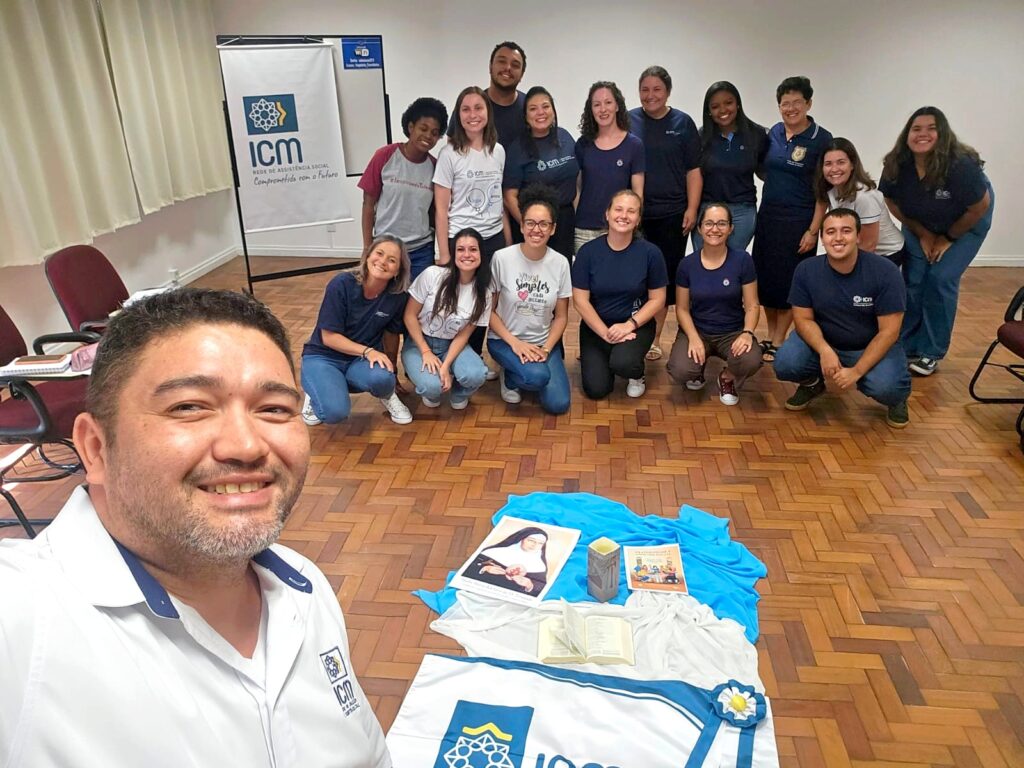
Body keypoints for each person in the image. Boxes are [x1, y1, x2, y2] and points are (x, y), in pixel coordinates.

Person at [0, 289, 391, 765]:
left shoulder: (306, 588)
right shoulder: (23, 623)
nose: (246, 446)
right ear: (96, 448)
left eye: (274, 409)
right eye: (189, 407)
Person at [879, 106, 994, 377]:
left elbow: (979, 207)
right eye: (916, 129)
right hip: (920, 222)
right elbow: (891, 201)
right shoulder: (897, 164)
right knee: (914, 278)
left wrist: (948, 238)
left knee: (940, 278)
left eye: (931, 129)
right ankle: (907, 344)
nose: (923, 134)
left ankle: (931, 352)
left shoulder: (961, 166)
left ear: (943, 134)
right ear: (907, 134)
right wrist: (923, 233)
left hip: (967, 223)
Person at [774, 208, 912, 428]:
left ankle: (896, 399)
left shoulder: (885, 272)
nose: (838, 238)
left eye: (846, 231)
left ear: (858, 237)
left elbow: (889, 332)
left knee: (888, 387)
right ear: (822, 238)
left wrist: (857, 371)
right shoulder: (806, 269)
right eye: (830, 232)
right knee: (785, 363)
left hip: (868, 345)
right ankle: (812, 384)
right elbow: (802, 319)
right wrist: (824, 350)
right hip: (823, 342)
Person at [753, 76, 833, 363]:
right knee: (766, 280)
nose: (790, 108)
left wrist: (813, 230)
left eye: (796, 102)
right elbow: (764, 169)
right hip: (768, 218)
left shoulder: (821, 139)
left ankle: (778, 340)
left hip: (799, 222)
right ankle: (770, 334)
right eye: (785, 103)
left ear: (809, 104)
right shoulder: (773, 133)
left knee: (789, 281)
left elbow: (823, 192)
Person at [628, 66, 702, 362]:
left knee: (663, 279)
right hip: (636, 216)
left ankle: (655, 339)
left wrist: (692, 208)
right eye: (645, 89)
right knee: (635, 278)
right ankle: (632, 333)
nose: (650, 95)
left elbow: (693, 170)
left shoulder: (683, 123)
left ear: (668, 91)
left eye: (657, 89)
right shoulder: (629, 120)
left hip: (673, 214)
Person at [301, 235, 412, 426]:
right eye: (379, 253)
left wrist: (392, 371)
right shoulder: (341, 283)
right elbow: (329, 337)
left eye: (392, 260)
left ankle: (385, 395)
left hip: (359, 361)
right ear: (367, 256)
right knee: (335, 413)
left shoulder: (398, 296)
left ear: (398, 271)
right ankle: (316, 391)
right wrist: (368, 351)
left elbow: (391, 333)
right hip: (324, 356)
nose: (383, 262)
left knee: (383, 379)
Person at [435, 86, 511, 361]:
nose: (472, 114)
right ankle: (452, 359)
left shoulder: (498, 151)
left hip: (493, 238)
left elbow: (498, 200)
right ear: (458, 115)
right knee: (460, 303)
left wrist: (507, 243)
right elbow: (441, 209)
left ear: (488, 112)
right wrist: (444, 253)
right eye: (465, 109)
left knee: (487, 301)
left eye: (478, 108)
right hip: (462, 240)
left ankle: (476, 358)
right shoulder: (449, 154)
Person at [571, 189, 667, 400]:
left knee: (624, 363)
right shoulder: (588, 252)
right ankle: (609, 354)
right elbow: (580, 301)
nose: (624, 216)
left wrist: (628, 325)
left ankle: (636, 374)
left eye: (631, 211)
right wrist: (605, 333)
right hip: (596, 326)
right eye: (618, 209)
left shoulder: (651, 253)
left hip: (636, 325)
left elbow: (658, 299)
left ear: (638, 219)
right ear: (607, 214)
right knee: (596, 390)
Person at [488, 184, 572, 414]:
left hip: (542, 342)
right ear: (522, 226)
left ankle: (522, 371)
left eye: (544, 224)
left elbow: (561, 317)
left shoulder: (560, 263)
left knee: (558, 404)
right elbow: (489, 311)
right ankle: (510, 375)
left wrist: (546, 349)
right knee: (537, 377)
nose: (537, 230)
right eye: (531, 223)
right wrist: (515, 344)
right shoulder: (502, 258)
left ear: (553, 229)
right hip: (505, 341)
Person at [667, 203, 762, 406]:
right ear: (700, 228)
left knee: (751, 360)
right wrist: (693, 338)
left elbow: (753, 305)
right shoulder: (687, 265)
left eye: (721, 223)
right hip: (698, 330)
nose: (715, 229)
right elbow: (681, 309)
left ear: (731, 228)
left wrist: (747, 333)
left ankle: (727, 377)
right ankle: (697, 370)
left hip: (732, 332)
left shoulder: (743, 260)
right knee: (681, 370)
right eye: (709, 223)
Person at [358, 97, 448, 279]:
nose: (428, 136)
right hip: (385, 247)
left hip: (421, 251)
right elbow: (368, 204)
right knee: (384, 295)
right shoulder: (385, 156)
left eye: (434, 133)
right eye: (423, 128)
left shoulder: (435, 167)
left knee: (419, 296)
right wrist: (367, 247)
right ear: (410, 127)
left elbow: (436, 213)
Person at [401, 228, 491, 410]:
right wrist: (426, 351)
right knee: (431, 387)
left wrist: (446, 365)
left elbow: (464, 335)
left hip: (451, 344)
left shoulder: (484, 293)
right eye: (460, 249)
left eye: (473, 249)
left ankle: (458, 393)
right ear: (453, 253)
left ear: (481, 254)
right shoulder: (432, 274)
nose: (467, 255)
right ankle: (432, 391)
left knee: (476, 375)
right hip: (419, 343)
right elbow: (409, 315)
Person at [502, 86, 579, 259]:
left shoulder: (565, 137)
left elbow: (575, 180)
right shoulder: (518, 148)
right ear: (525, 116)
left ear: (553, 110)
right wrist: (529, 225)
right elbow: (509, 196)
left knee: (561, 268)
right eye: (533, 108)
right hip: (534, 225)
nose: (540, 112)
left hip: (564, 221)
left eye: (545, 106)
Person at [694, 81, 768, 253]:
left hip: (742, 211)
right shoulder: (700, 136)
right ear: (708, 111)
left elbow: (766, 172)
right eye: (715, 106)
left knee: (732, 262)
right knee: (704, 260)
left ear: (738, 104)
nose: (723, 110)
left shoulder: (756, 134)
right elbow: (692, 176)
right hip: (707, 209)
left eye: (728, 103)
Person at [574, 81, 645, 253]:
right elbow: (577, 188)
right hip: (585, 230)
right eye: (597, 104)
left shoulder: (634, 145)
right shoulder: (583, 144)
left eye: (608, 102)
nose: (603, 109)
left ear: (617, 106)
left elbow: (638, 193)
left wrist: (632, 223)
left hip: (619, 228)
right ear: (591, 109)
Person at [815, 137, 905, 265]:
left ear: (852, 165)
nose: (834, 169)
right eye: (828, 164)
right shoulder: (833, 190)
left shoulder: (864, 197)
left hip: (886, 254)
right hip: (858, 250)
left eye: (841, 162)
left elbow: (868, 245)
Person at [448, 41, 527, 148]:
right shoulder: (469, 105)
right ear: (490, 67)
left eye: (515, 65)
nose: (508, 67)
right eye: (502, 61)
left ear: (522, 74)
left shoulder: (531, 109)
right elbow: (453, 147)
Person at [465, 526, 549, 597]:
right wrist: (485, 568)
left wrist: (530, 585)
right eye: (531, 540)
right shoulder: (492, 552)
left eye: (540, 543)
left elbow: (541, 588)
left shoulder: (539, 565)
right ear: (521, 539)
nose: (534, 545)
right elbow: (466, 569)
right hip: (480, 593)